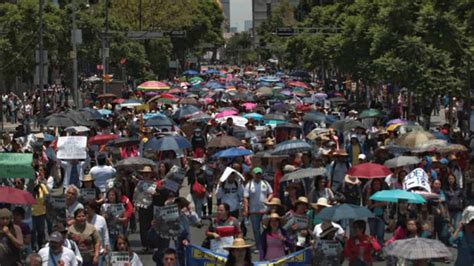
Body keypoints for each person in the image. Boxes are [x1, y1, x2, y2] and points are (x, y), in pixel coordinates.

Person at [243, 167, 273, 253]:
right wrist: (246, 209)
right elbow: (245, 198)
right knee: (256, 230)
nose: (258, 175)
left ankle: (266, 244)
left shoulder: (265, 183)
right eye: (257, 174)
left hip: (264, 210)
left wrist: (268, 199)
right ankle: (258, 246)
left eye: (260, 173)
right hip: (253, 211)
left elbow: (271, 193)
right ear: (253, 174)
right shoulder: (249, 185)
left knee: (266, 228)